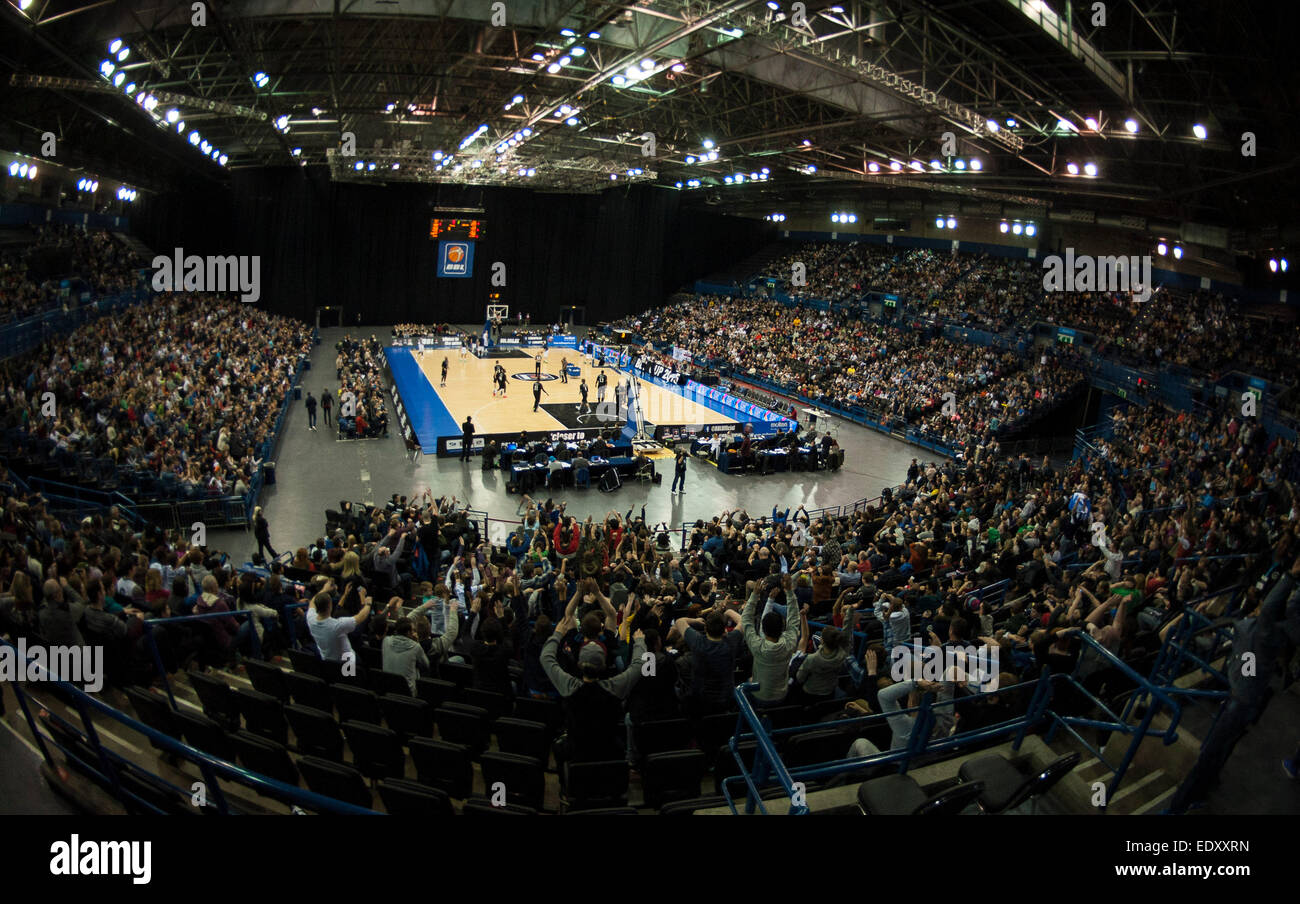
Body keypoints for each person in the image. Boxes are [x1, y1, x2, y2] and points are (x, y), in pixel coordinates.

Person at [741, 578, 802, 706]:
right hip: (781, 695)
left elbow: (746, 620)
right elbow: (795, 620)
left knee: (744, 685)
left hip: (760, 696)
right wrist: (789, 592)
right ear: (781, 629)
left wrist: (754, 595)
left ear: (763, 629)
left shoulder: (758, 646)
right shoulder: (789, 643)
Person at [307, 582, 371, 663]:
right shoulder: (338, 625)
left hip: (327, 660)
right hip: (346, 663)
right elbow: (361, 617)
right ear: (330, 606)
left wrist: (324, 590)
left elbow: (312, 602)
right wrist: (367, 603)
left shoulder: (310, 618)